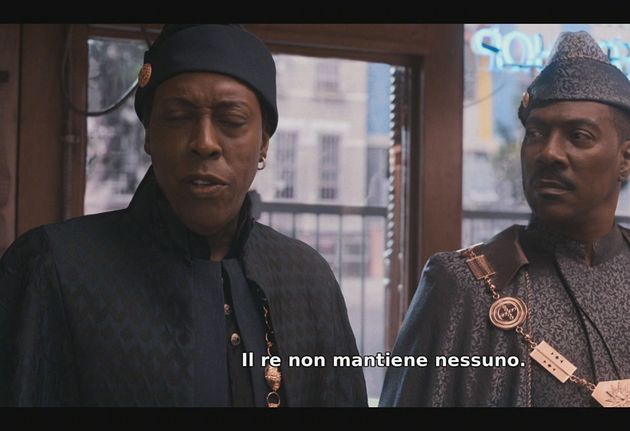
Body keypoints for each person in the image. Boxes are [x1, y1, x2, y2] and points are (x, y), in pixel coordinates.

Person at [0, 24, 367, 407]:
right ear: (149, 135)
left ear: (263, 143)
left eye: (232, 120)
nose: (204, 142)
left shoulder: (308, 280)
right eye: (178, 116)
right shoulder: (54, 267)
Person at [380, 31, 630, 407]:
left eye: (578, 135)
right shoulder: (465, 288)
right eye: (536, 134)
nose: (549, 153)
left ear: (626, 159)